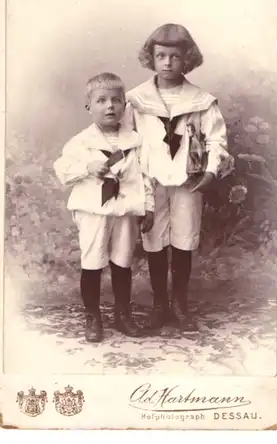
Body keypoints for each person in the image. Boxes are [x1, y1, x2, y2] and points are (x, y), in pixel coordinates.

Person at [124, 23, 229, 331]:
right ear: (151, 58)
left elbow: (217, 140)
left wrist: (210, 172)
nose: (168, 63)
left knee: (183, 241)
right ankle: (159, 304)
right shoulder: (136, 100)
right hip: (150, 183)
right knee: (154, 242)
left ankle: (179, 304)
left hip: (188, 181)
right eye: (161, 56)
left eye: (175, 57)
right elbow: (126, 141)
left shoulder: (201, 101)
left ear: (188, 59)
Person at [53, 72, 154, 342]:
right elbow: (62, 170)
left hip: (124, 210)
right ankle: (93, 317)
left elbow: (145, 176)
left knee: (122, 262)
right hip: (94, 210)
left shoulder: (134, 140)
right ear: (89, 107)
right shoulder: (81, 143)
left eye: (116, 100)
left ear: (124, 105)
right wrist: (87, 168)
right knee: (93, 263)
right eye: (101, 100)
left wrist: (149, 207)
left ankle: (122, 315)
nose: (110, 106)